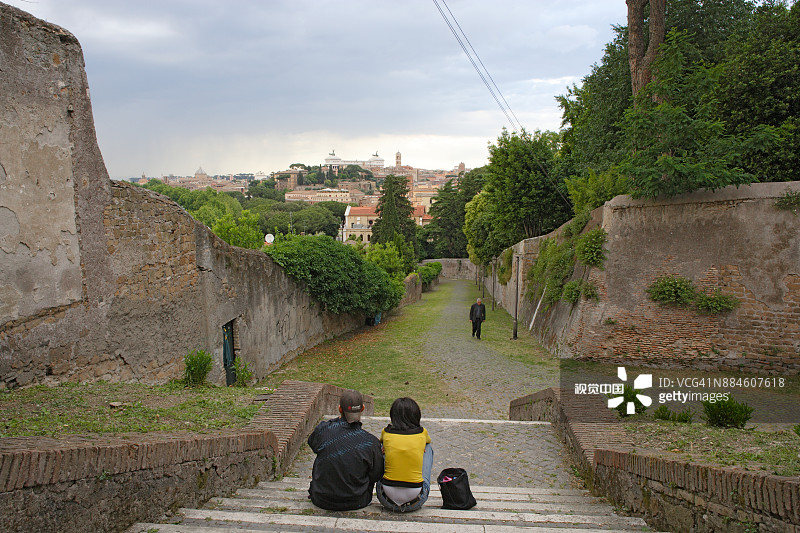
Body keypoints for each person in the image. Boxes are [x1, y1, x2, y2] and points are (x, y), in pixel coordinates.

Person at [307, 389, 384, 511]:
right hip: (357, 501)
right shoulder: (371, 442)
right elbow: (377, 474)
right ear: (363, 408)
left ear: (340, 409)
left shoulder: (324, 430)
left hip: (321, 499)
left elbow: (312, 444)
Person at [376, 397, 434, 513]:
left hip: (386, 499)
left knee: (382, 447)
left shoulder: (386, 432)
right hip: (416, 500)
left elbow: (380, 441)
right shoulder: (422, 432)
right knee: (427, 448)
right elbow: (428, 441)